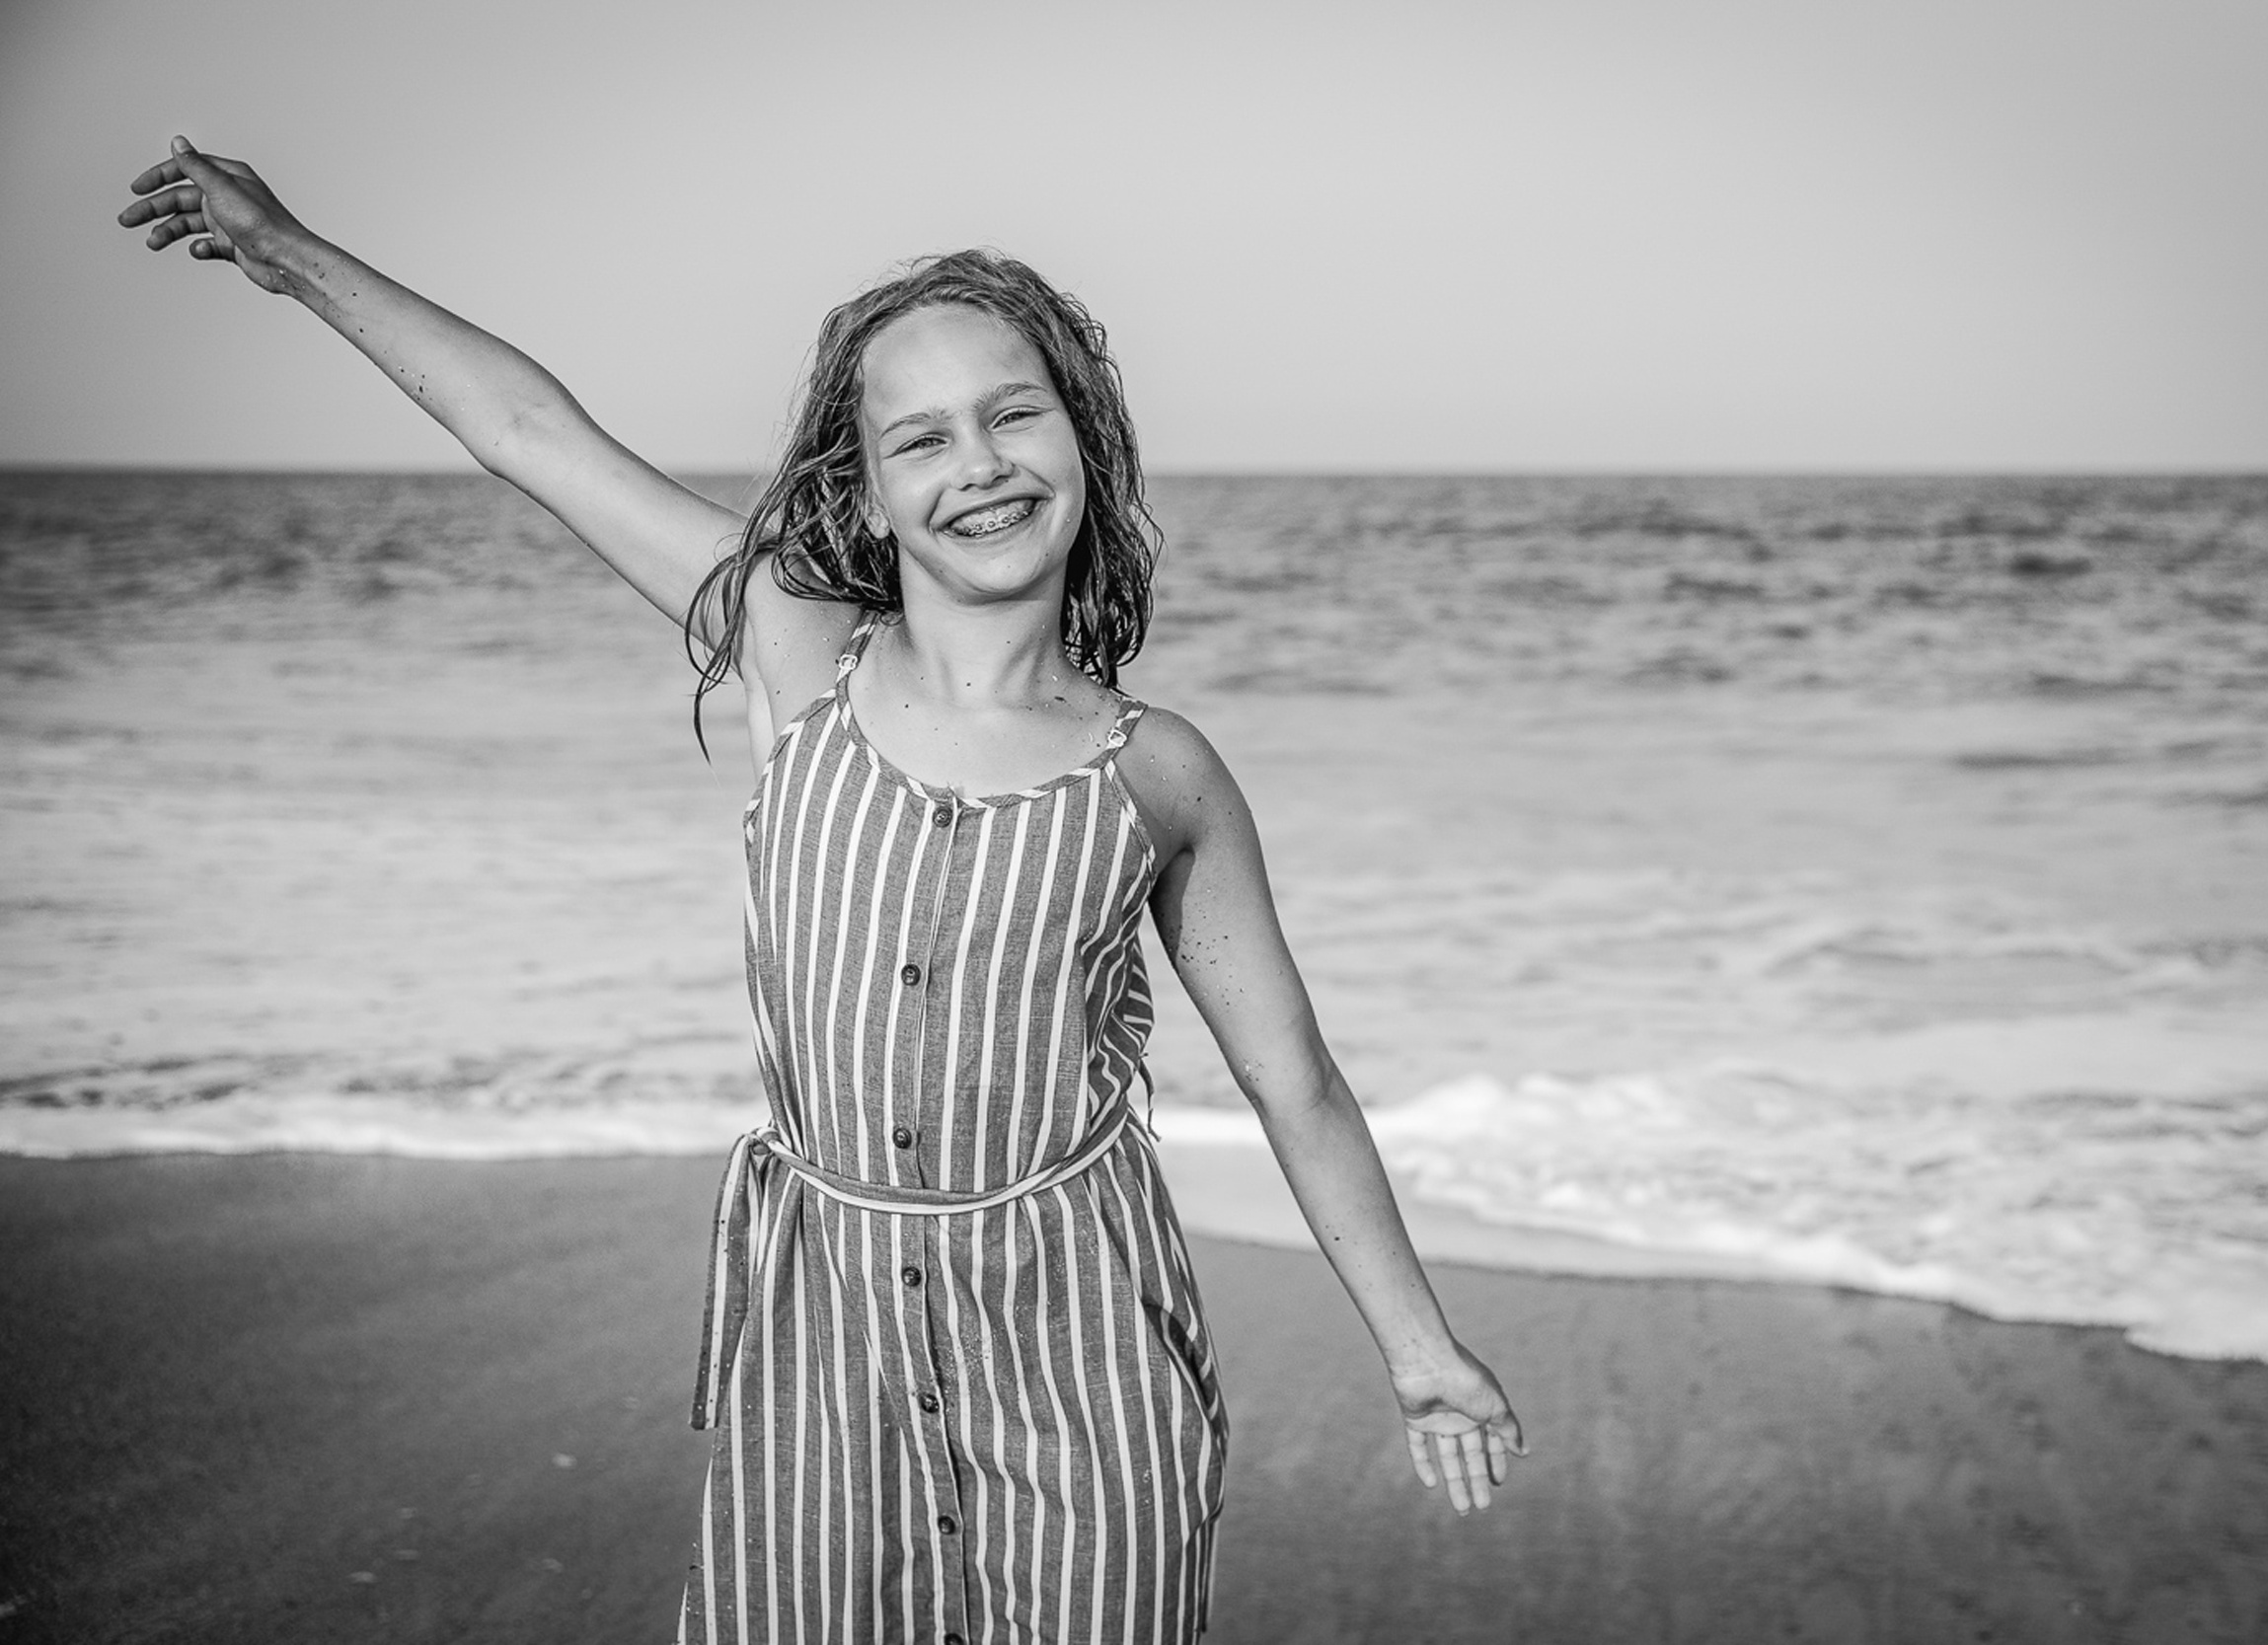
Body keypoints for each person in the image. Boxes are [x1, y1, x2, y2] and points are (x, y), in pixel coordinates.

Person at [120, 135, 1525, 1643]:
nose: (977, 466)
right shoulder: (797, 654)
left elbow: (1293, 1080)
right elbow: (530, 430)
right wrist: (288, 253)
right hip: (821, 1341)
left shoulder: (1157, 771)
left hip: (1081, 1344)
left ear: (1084, 442)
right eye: (919, 440)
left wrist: (1418, 1344)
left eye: (1011, 417)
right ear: (863, 490)